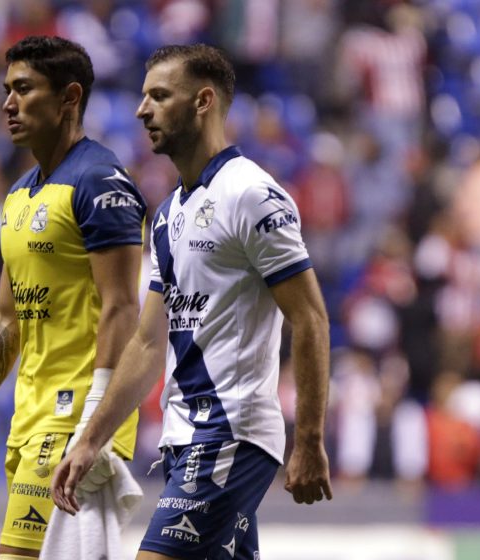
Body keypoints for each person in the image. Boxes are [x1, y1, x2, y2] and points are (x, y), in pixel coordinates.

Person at [50, 44, 333, 560]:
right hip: (183, 440)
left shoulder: (251, 194)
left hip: (230, 432)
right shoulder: (166, 215)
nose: (142, 110)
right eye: (143, 97)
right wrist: (91, 438)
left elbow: (310, 318)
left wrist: (309, 439)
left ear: (203, 101)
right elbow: (147, 341)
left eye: (159, 96)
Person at [0, 36, 147, 560]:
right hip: (29, 418)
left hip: (75, 421)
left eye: (24, 89)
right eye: (7, 90)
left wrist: (96, 418)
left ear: (69, 97)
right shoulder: (19, 193)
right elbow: (6, 320)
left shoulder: (101, 182)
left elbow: (122, 308)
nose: (7, 103)